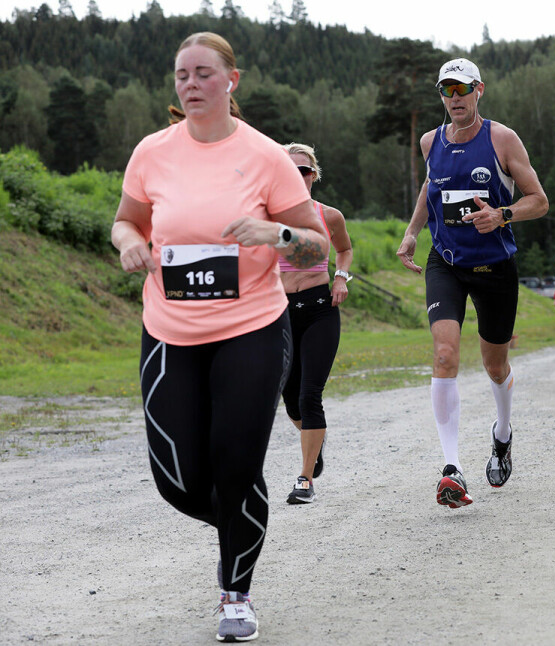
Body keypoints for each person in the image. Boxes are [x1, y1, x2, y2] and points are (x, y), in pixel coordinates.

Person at [111, 32, 329, 642]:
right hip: (169, 331)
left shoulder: (266, 157)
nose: (191, 84)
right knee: (177, 480)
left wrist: (277, 235)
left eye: (203, 73)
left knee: (237, 462)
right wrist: (129, 243)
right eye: (182, 75)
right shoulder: (152, 152)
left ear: (232, 80)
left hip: (251, 330)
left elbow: (316, 247)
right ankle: (239, 517)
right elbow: (127, 221)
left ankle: (236, 593)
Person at [396, 57, 548, 509]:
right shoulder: (431, 141)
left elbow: (539, 201)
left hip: (494, 266)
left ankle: (502, 434)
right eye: (447, 90)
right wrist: (412, 231)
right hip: (446, 262)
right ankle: (452, 468)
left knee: (495, 367)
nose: (455, 98)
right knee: (445, 355)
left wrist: (501, 215)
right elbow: (430, 188)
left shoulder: (501, 139)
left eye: (462, 89)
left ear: (479, 90)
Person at [279, 143, 354, 505]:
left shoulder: (329, 215)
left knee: (310, 395)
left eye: (305, 171)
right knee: (291, 400)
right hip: (279, 313)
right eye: (290, 170)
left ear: (314, 176)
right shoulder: (266, 217)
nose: (298, 176)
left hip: (319, 309)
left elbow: (345, 250)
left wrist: (340, 278)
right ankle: (315, 439)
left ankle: (305, 479)